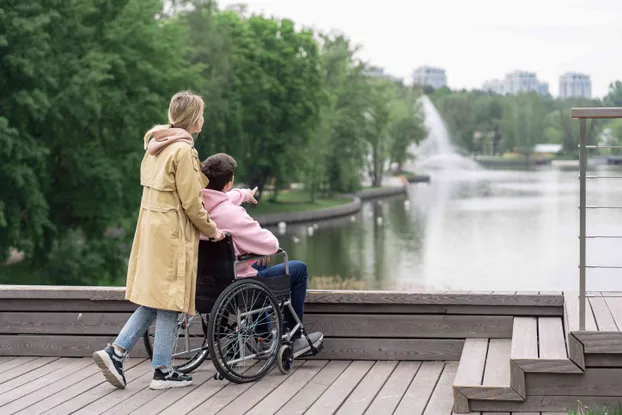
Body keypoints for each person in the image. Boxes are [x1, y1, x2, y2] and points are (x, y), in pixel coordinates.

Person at [93, 91, 225, 390]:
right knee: (169, 299)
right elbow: (192, 202)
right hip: (172, 234)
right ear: (193, 118)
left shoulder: (155, 148)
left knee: (160, 298)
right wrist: (213, 230)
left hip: (152, 230)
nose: (203, 119)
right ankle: (156, 369)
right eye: (201, 114)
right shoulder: (184, 151)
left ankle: (123, 354)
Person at [199, 153, 323, 354]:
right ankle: (295, 336)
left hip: (206, 285)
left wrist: (244, 194)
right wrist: (257, 247)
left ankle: (264, 336)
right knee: (298, 269)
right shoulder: (232, 215)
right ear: (229, 182)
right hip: (238, 287)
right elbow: (271, 245)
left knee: (258, 265)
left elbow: (222, 197)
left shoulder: (195, 208)